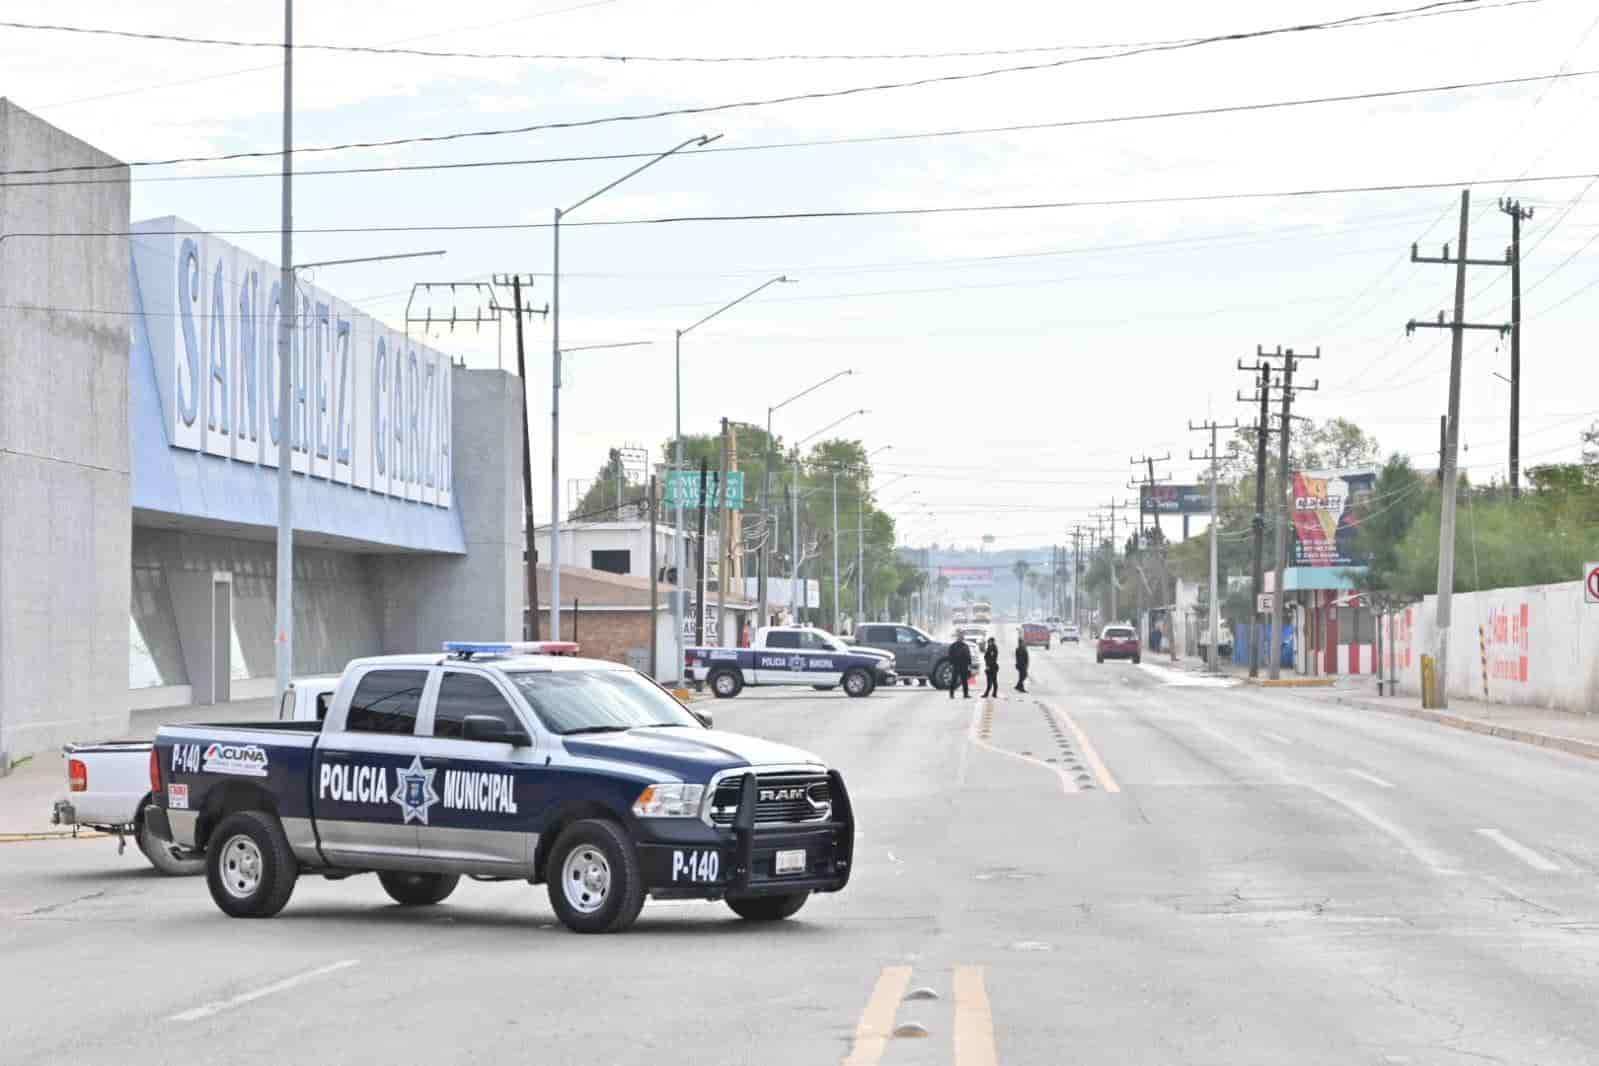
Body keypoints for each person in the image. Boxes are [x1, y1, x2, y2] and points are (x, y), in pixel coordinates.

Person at [947, 632, 973, 699]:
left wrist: (969, 665)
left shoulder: (965, 646)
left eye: (962, 637)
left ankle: (966, 694)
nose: (961, 638)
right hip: (956, 665)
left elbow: (968, 656)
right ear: (957, 637)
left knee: (964, 680)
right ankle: (951, 694)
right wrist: (951, 664)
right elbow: (950, 656)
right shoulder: (953, 646)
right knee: (954, 680)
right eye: (959, 636)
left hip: (964, 665)